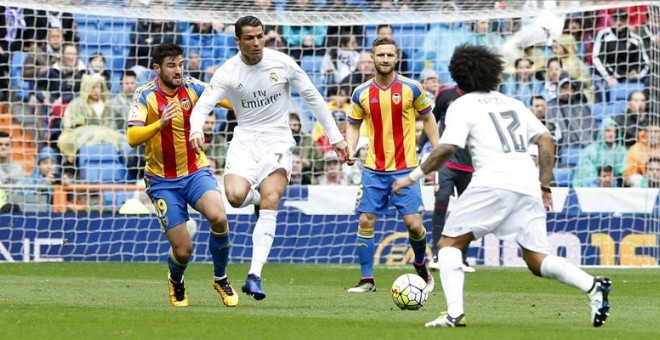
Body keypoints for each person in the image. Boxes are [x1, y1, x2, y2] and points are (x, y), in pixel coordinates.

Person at [392, 44, 611, 328]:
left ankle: (454, 314)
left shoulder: (462, 105)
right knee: (535, 258)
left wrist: (411, 177)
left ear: (458, 76)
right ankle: (593, 285)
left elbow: (447, 147)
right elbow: (546, 140)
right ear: (493, 72)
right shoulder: (513, 103)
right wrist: (545, 186)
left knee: (448, 244)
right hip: (527, 184)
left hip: (492, 183)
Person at [189, 16, 351, 301]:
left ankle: (254, 275)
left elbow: (313, 97)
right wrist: (195, 129)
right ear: (237, 41)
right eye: (250, 38)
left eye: (260, 36)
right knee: (236, 197)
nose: (257, 43)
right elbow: (203, 105)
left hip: (277, 138)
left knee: (272, 197)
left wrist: (336, 138)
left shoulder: (282, 63)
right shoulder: (228, 71)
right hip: (245, 139)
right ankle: (257, 200)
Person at [126, 43, 238, 308]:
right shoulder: (145, 96)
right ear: (157, 68)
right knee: (183, 251)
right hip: (162, 181)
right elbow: (132, 137)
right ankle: (176, 280)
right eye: (171, 65)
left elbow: (225, 100)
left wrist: (247, 98)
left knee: (219, 217)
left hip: (195, 171)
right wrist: (160, 123)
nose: (178, 70)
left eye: (180, 64)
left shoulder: (192, 86)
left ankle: (220, 278)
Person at [344, 37, 439, 293]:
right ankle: (367, 280)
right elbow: (353, 124)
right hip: (373, 169)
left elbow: (428, 118)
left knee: (414, 225)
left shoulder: (412, 88)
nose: (385, 59)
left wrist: (437, 148)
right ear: (372, 58)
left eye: (389, 55)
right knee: (365, 220)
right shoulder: (361, 92)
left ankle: (420, 263)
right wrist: (350, 148)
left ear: (396, 58)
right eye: (380, 55)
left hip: (407, 169)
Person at [427, 85, 475, 273]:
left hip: (471, 163)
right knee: (441, 201)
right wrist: (421, 145)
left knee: (468, 210)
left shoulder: (481, 97)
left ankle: (462, 258)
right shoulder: (446, 94)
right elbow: (433, 119)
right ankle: (438, 255)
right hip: (446, 161)